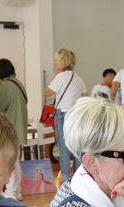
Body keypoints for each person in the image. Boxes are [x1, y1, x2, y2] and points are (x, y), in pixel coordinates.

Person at [45, 48, 87, 181]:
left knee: (64, 149)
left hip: (62, 115)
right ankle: (78, 178)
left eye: (56, 61)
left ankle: (64, 180)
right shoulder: (78, 78)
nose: (55, 64)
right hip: (76, 115)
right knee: (76, 147)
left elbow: (47, 92)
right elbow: (85, 96)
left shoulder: (60, 77)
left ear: (61, 62)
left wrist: (54, 77)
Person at [0, 58, 27, 201]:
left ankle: (13, 190)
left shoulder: (6, 85)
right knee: (15, 158)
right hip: (19, 125)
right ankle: (16, 190)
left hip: (10, 127)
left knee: (11, 160)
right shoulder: (18, 83)